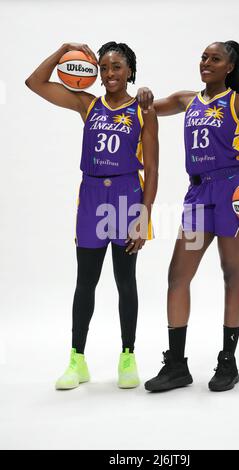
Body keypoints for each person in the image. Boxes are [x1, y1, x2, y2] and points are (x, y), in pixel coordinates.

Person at [137, 40, 239, 392]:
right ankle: (176, 365)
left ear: (230, 67)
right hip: (199, 193)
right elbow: (144, 108)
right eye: (203, 57)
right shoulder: (188, 100)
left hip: (234, 194)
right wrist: (140, 93)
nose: (206, 62)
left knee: (232, 273)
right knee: (177, 276)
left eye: (215, 59)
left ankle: (227, 362)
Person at [25, 41, 158, 390]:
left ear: (130, 70)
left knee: (125, 281)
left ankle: (127, 357)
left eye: (116, 67)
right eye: (103, 68)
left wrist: (143, 218)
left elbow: (155, 170)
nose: (109, 74)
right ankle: (77, 360)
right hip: (92, 195)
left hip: (127, 197)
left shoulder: (144, 110)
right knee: (86, 282)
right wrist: (62, 50)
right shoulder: (88, 105)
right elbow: (34, 83)